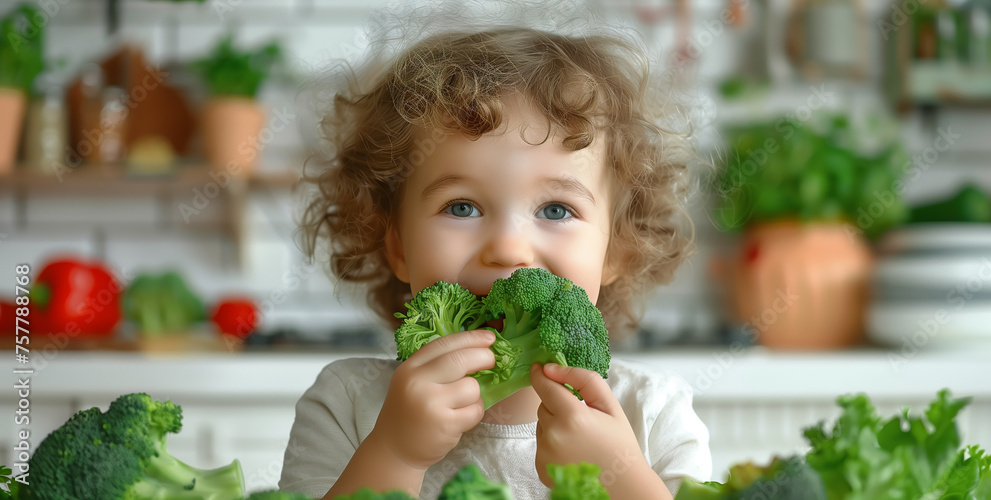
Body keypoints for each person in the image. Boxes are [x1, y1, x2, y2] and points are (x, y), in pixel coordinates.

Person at [280, 2, 711, 498]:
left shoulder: (653, 414)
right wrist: (394, 454)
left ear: (616, 251)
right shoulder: (348, 405)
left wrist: (621, 476)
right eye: (461, 207)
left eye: (555, 210)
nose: (508, 250)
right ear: (395, 245)